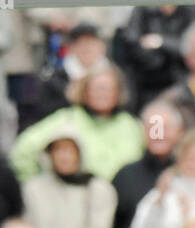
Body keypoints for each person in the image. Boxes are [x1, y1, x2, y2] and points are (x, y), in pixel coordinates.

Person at [10, 64, 145, 183]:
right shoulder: (66, 120)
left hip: (125, 206)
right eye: (97, 88)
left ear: (118, 93)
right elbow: (22, 151)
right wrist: (39, 188)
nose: (102, 94)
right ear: (84, 92)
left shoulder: (132, 125)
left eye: (108, 89)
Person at [108, 99, 184, 228]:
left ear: (180, 132)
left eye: (165, 128)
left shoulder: (191, 174)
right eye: (152, 128)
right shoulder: (126, 175)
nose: (158, 133)